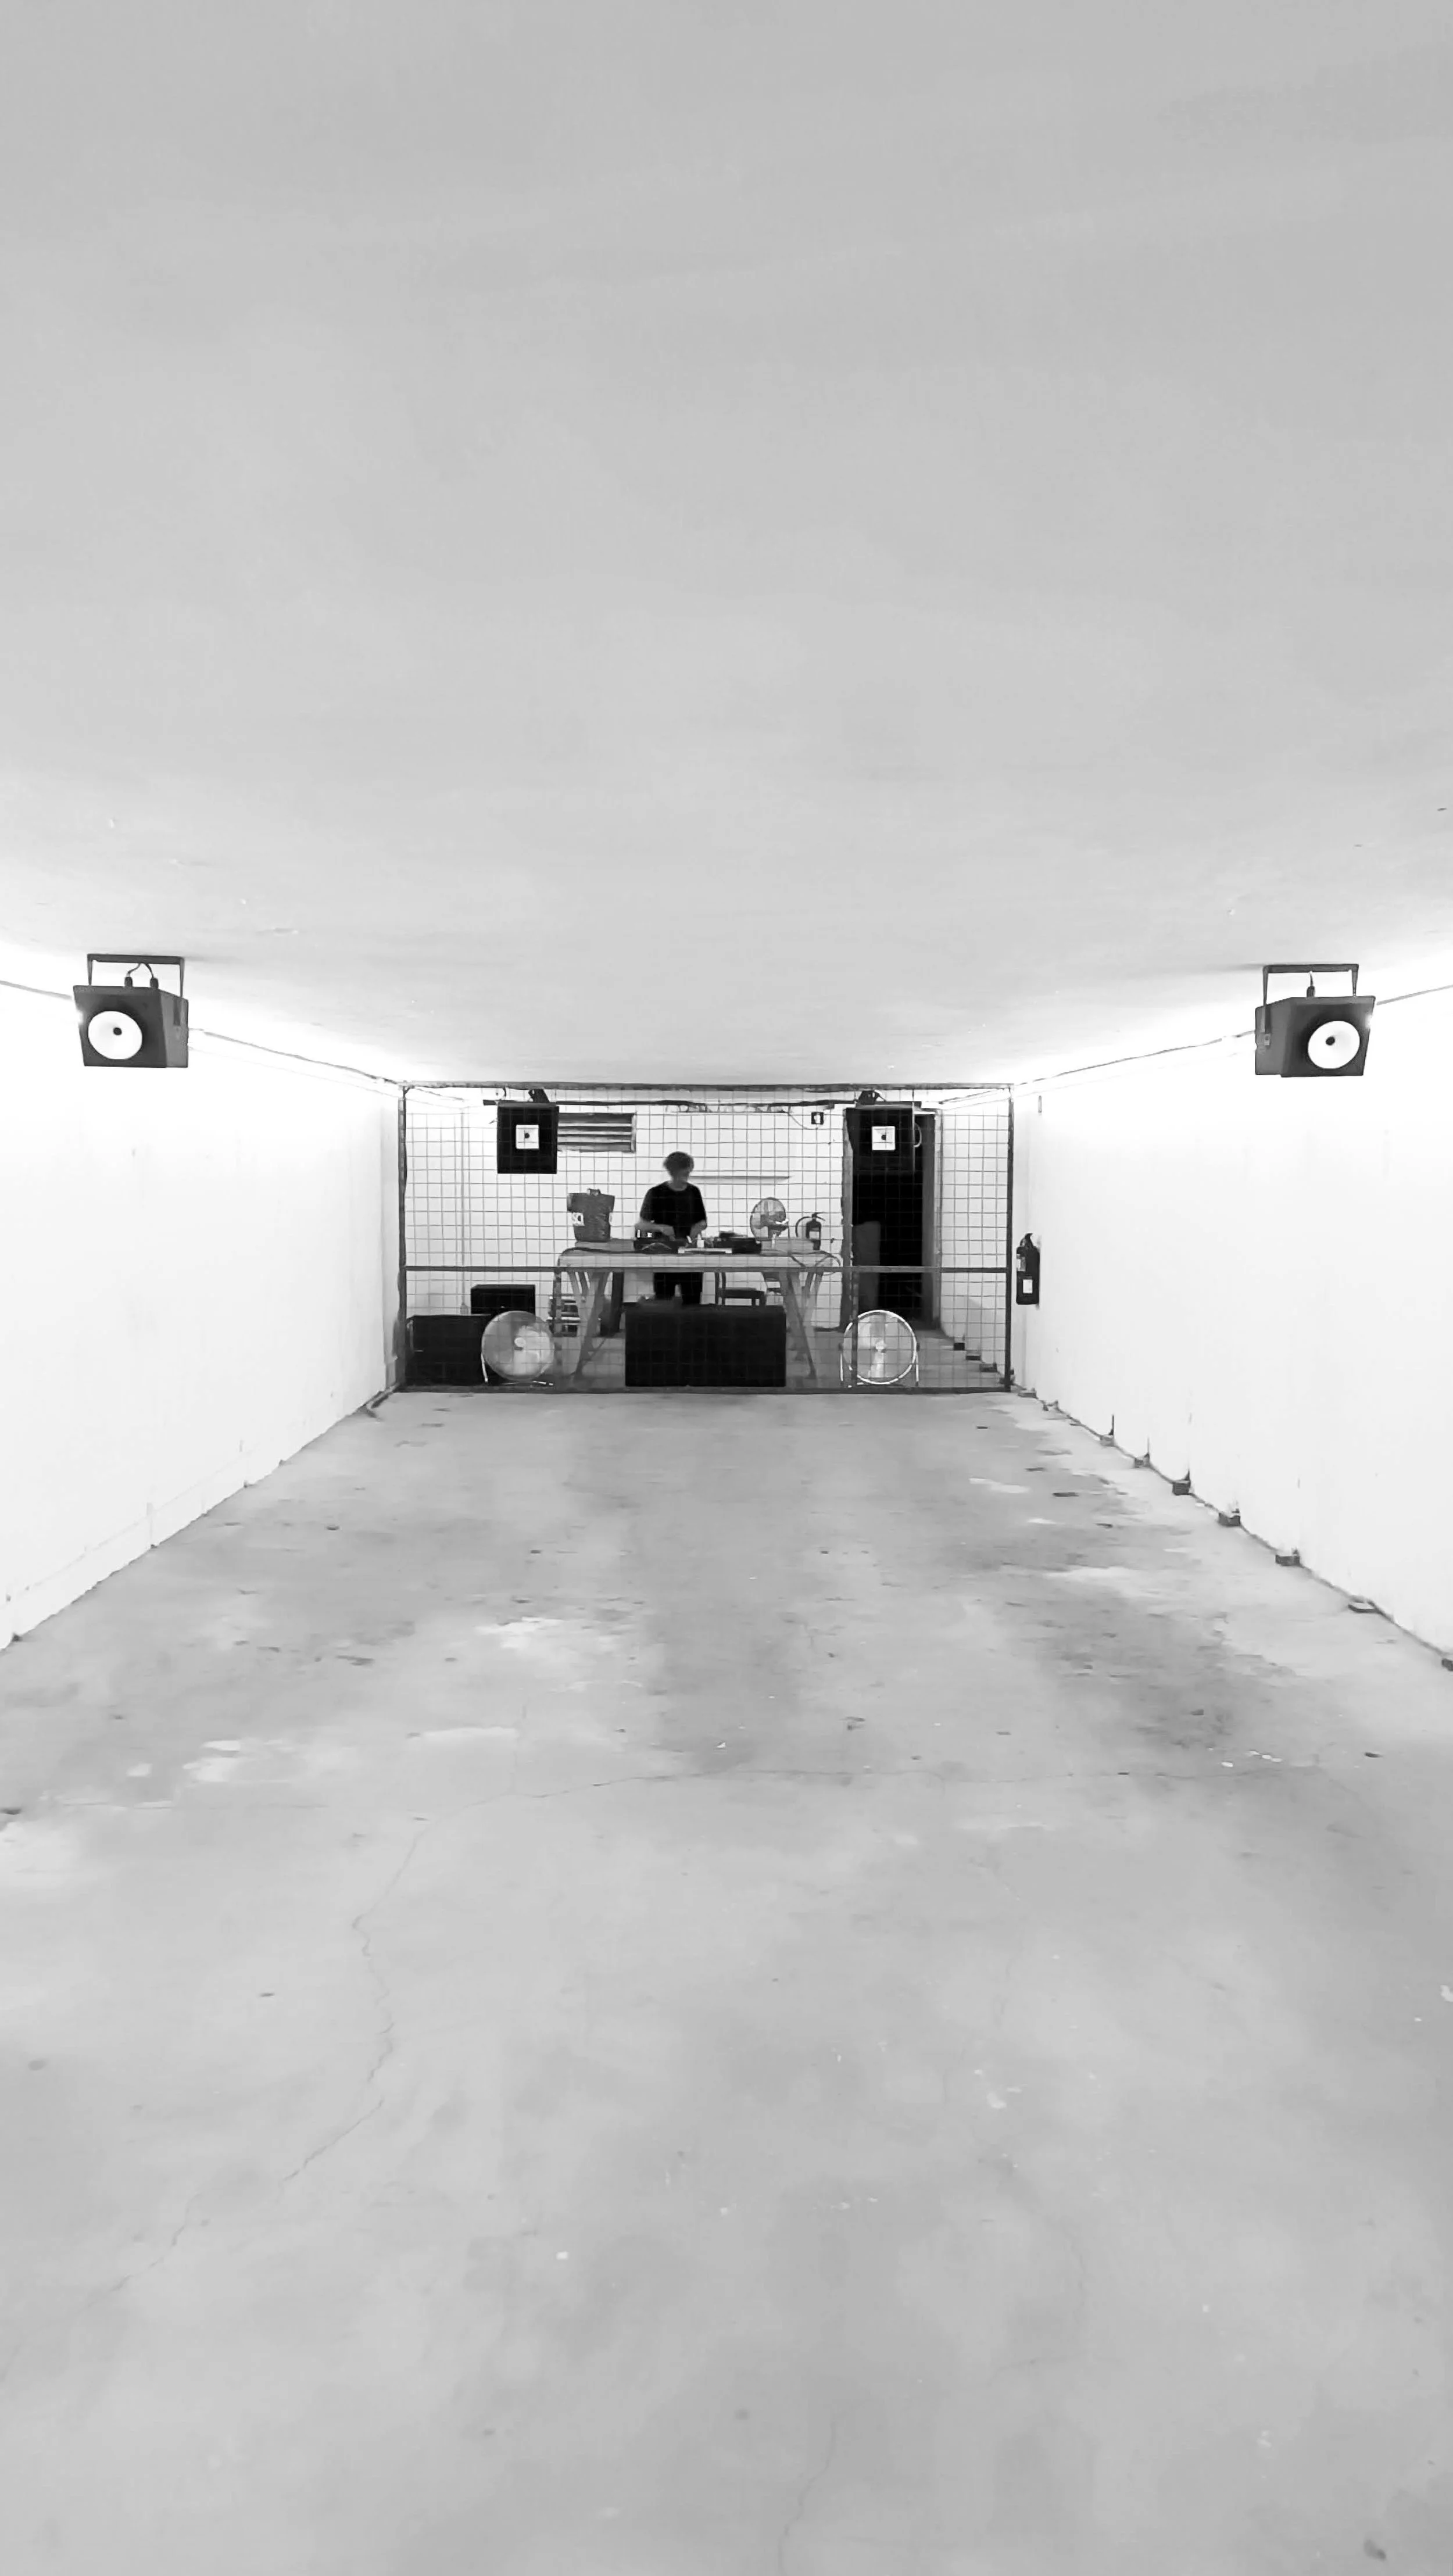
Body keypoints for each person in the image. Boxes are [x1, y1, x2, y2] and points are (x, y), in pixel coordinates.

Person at [638, 1151, 709, 1304]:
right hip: (664, 1255)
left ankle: (692, 1327)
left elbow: (702, 1222)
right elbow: (642, 1224)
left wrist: (695, 1231)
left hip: (690, 1255)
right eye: (684, 1172)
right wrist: (661, 1228)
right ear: (673, 1171)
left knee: (693, 1303)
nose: (687, 1175)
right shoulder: (656, 1193)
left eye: (689, 1172)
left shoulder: (694, 1192)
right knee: (664, 1301)